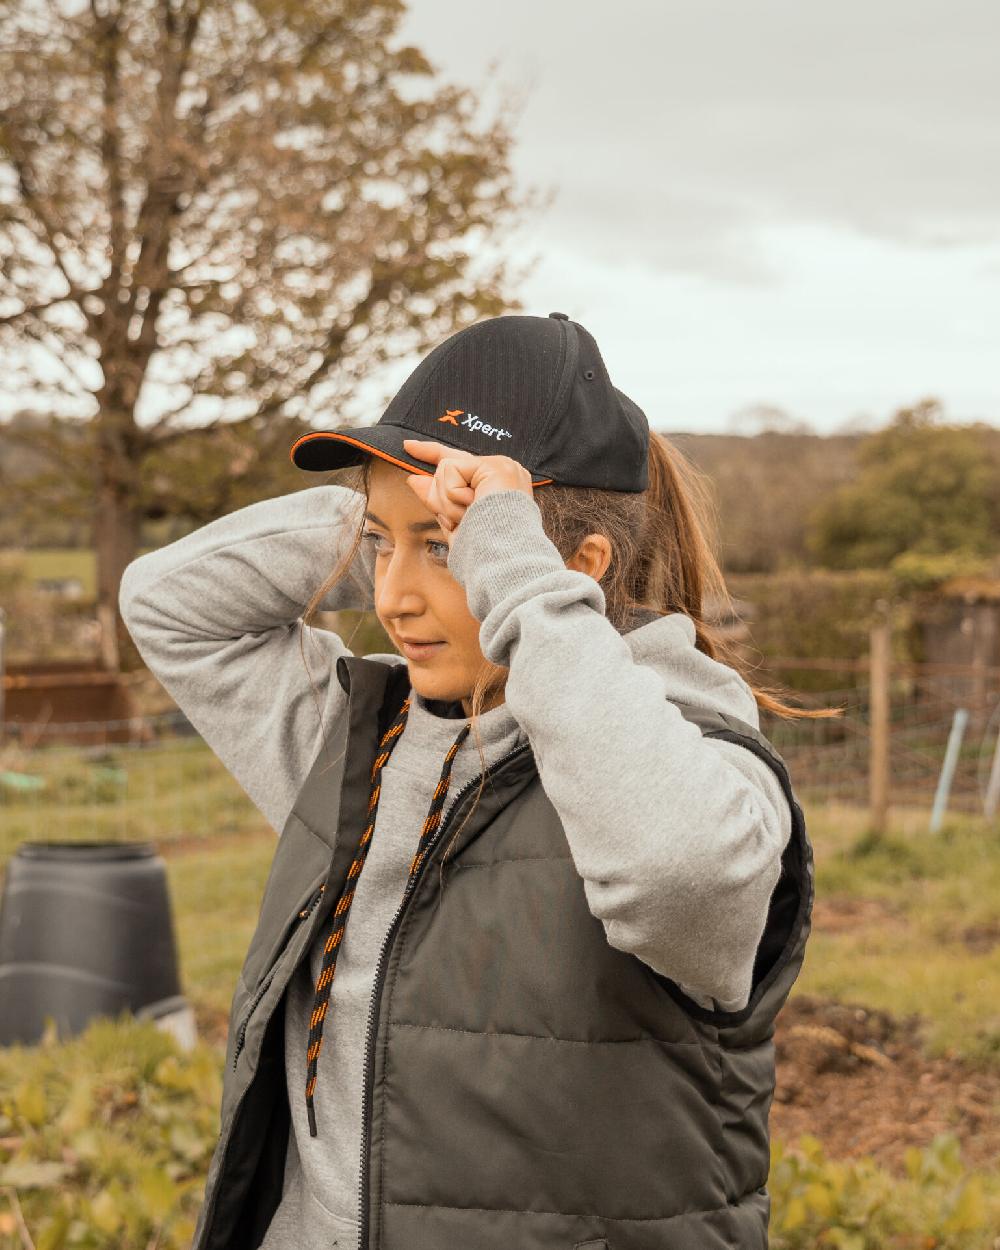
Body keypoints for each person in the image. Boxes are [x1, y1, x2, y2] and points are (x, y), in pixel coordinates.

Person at [119, 312, 837, 1250]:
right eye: (385, 547)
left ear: (572, 570)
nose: (392, 597)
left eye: (446, 549)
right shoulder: (356, 747)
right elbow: (169, 606)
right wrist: (389, 501)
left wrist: (511, 568)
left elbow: (680, 874)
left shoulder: (696, 762)